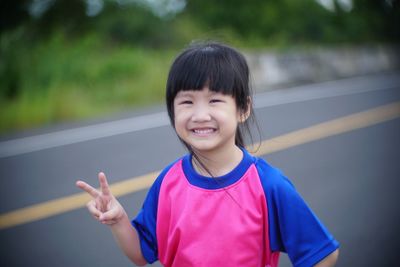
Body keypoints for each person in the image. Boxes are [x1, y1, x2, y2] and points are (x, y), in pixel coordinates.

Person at [76, 42, 339, 267]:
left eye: (215, 100)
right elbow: (142, 254)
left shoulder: (268, 185)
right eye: (187, 102)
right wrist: (119, 219)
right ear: (172, 111)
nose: (200, 115)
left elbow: (322, 253)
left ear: (243, 108)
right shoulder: (169, 182)